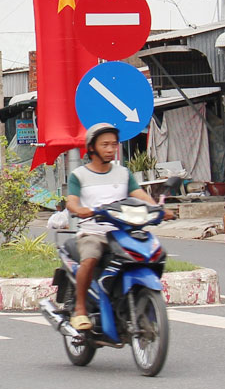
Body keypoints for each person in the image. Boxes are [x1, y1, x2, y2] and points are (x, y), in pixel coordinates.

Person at [64, 123, 167, 332]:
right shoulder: (79, 175)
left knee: (155, 253)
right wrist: (80, 209)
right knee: (91, 256)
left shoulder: (123, 173)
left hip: (123, 231)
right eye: (105, 145)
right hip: (93, 231)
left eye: (113, 144)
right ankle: (80, 308)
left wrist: (158, 209)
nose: (111, 149)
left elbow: (140, 195)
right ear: (92, 148)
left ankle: (137, 298)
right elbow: (72, 202)